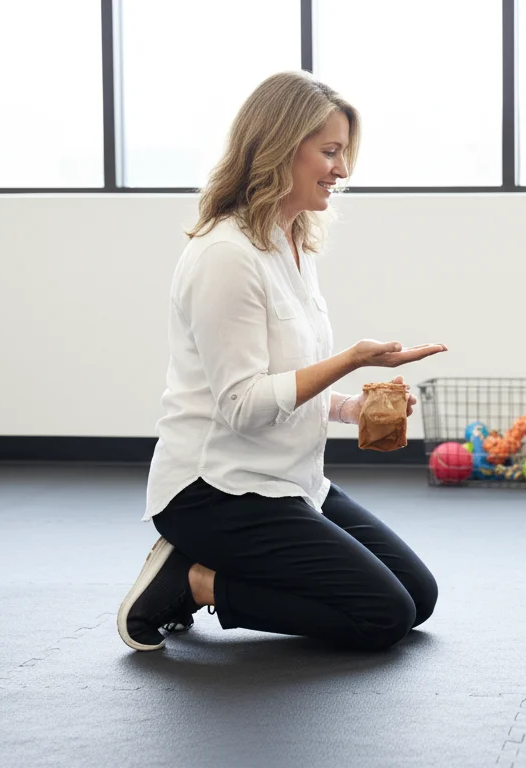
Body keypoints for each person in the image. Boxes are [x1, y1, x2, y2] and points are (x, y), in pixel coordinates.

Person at [117, 71, 447, 653]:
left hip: (288, 479)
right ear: (278, 147)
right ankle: (194, 580)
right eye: (329, 152)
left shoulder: (292, 241)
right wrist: (350, 360)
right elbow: (243, 406)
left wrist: (353, 407)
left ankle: (208, 573)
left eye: (343, 153)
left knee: (419, 597)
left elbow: (289, 383)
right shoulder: (226, 255)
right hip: (215, 491)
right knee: (384, 616)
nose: (342, 170)